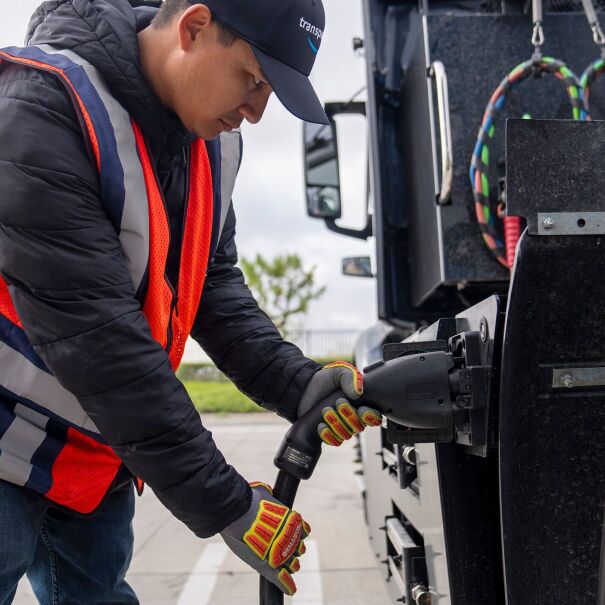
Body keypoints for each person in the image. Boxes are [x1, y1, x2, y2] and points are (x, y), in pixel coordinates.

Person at [0, 0, 382, 602]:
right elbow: (103, 344)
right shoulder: (43, 108)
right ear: (194, 27)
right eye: (254, 80)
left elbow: (209, 285)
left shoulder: (208, 142)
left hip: (93, 455)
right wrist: (226, 503)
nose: (257, 112)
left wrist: (295, 384)